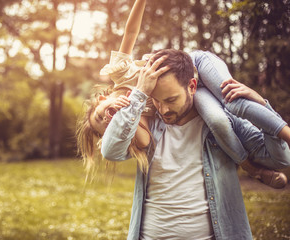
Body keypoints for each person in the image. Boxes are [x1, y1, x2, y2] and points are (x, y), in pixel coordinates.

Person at [76, 0, 289, 188]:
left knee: (232, 99)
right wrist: (133, 103)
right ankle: (250, 167)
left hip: (196, 64)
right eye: (105, 126)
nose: (106, 119)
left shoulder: (120, 74)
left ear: (101, 100)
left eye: (99, 116)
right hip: (191, 90)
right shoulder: (138, 117)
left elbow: (130, 32)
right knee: (217, 120)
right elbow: (133, 141)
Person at [100, 49, 290, 239]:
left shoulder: (225, 123)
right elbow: (111, 151)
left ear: (192, 86)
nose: (163, 109)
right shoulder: (148, 126)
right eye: (156, 100)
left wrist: (262, 108)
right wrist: (139, 94)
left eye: (171, 99)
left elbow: (281, 159)